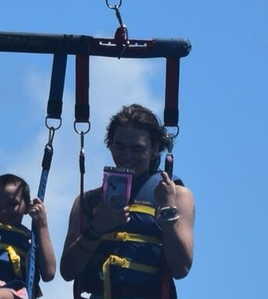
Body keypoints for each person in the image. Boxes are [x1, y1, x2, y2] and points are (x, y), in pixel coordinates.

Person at [59, 104, 195, 299]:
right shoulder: (88, 201)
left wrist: (167, 208)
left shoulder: (178, 196)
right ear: (110, 146)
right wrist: (96, 229)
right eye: (120, 147)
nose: (127, 156)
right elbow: (68, 271)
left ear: (154, 149)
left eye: (137, 149)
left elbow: (180, 268)